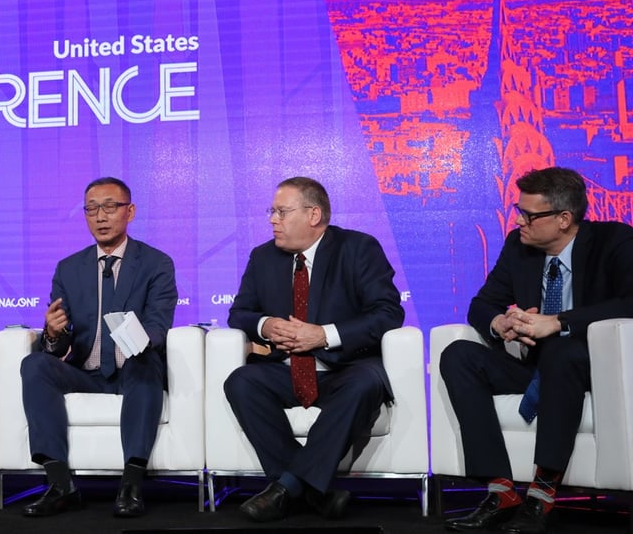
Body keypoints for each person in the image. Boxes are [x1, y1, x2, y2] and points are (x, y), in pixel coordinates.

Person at [441, 167, 633, 534]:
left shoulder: (615, 241)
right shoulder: (519, 246)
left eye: (529, 215)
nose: (519, 221)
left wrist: (558, 321)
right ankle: (501, 490)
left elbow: (630, 302)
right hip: (536, 366)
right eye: (519, 211)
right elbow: (482, 304)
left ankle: (542, 493)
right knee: (458, 355)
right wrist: (500, 323)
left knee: (562, 351)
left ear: (564, 219)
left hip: (592, 368)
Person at [224, 177, 405, 523]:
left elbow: (387, 313)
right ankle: (312, 492)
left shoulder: (358, 248)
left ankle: (287, 486)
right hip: (285, 369)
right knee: (241, 381)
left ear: (314, 215)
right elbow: (239, 313)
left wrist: (323, 335)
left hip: (344, 368)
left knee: (365, 383)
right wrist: (266, 325)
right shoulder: (263, 257)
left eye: (282, 212)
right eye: (272, 211)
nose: (272, 220)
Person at [20, 177, 178, 519]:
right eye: (91, 209)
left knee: (145, 361)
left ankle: (131, 484)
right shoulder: (68, 268)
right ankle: (60, 485)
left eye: (109, 207)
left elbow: (158, 324)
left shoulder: (156, 263)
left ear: (130, 212)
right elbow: (59, 343)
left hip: (133, 368)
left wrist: (139, 340)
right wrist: (53, 333)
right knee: (34, 364)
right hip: (85, 373)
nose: (100, 216)